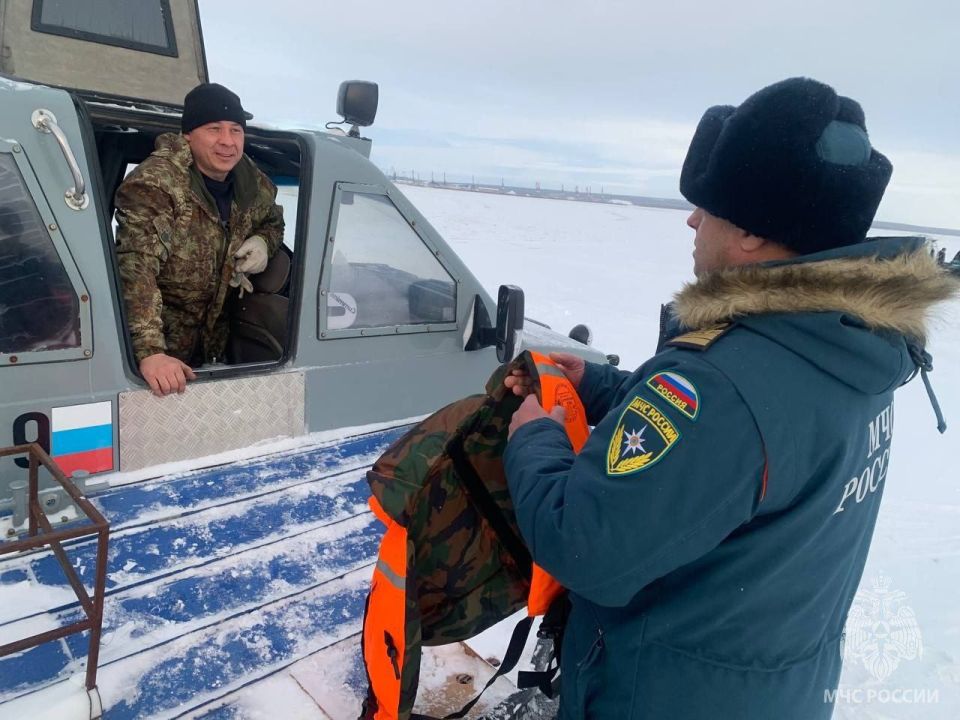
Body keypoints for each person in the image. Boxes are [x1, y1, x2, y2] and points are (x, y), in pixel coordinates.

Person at [502, 77, 958, 719]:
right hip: (775, 690)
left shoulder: (719, 382)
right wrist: (600, 388)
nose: (692, 220)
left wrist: (533, 437)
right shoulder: (852, 342)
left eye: (707, 205)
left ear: (748, 232)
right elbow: (743, 451)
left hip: (658, 697)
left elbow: (584, 545)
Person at [115, 82, 284, 396]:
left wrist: (263, 241)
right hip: (162, 351)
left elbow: (273, 222)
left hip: (213, 346)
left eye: (236, 130)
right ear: (188, 135)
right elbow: (136, 267)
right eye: (214, 129)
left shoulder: (251, 182)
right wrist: (150, 352)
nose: (227, 141)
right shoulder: (157, 183)